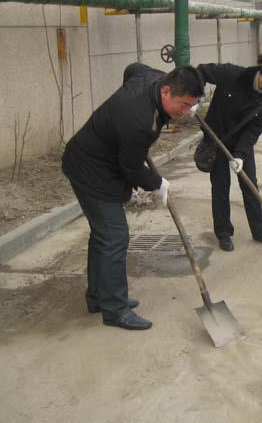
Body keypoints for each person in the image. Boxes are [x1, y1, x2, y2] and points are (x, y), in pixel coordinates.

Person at [62, 63, 204, 330]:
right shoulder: (139, 123)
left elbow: (132, 69)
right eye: (184, 105)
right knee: (114, 236)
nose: (186, 112)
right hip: (91, 169)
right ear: (165, 92)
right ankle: (115, 310)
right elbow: (130, 168)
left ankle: (99, 297)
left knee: (103, 236)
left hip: (97, 157)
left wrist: (186, 103)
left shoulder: (151, 78)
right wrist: (157, 183)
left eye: (192, 106)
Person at [196, 58, 262, 252]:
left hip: (241, 142)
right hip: (217, 139)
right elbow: (200, 71)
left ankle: (259, 231)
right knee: (221, 186)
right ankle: (223, 233)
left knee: (250, 185)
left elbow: (254, 130)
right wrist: (193, 97)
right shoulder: (232, 75)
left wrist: (240, 155)